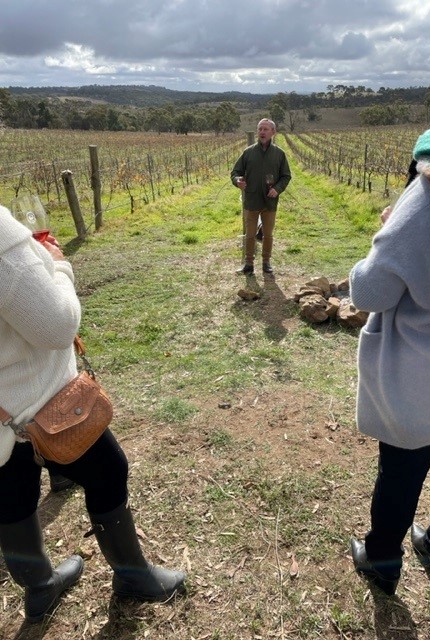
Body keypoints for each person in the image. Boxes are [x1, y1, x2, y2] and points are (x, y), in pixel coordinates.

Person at [0, 205, 186, 623]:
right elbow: (56, 325)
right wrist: (59, 268)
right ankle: (133, 575)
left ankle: (40, 587)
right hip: (37, 402)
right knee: (109, 470)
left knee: (11, 498)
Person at [349, 42, 430, 596]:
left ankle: (382, 560)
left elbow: (372, 288)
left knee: (402, 470)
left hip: (422, 371)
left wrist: (384, 234)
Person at [231, 118, 291, 275]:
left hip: (270, 201)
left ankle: (266, 262)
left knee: (268, 234)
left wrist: (277, 189)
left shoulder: (279, 154)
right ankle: (248, 263)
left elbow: (286, 176)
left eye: (265, 129)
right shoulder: (248, 152)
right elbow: (235, 172)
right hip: (251, 200)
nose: (262, 132)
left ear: (273, 132)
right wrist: (237, 181)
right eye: (260, 129)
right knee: (250, 234)